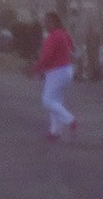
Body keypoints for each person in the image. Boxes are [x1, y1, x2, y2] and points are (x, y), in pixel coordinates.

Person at [31, 11, 77, 141]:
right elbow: (72, 49)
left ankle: (69, 119)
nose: (45, 24)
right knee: (56, 101)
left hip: (56, 71)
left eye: (47, 21)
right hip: (66, 69)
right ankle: (55, 131)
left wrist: (35, 68)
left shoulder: (53, 36)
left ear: (53, 22)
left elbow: (47, 56)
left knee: (48, 100)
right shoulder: (64, 34)